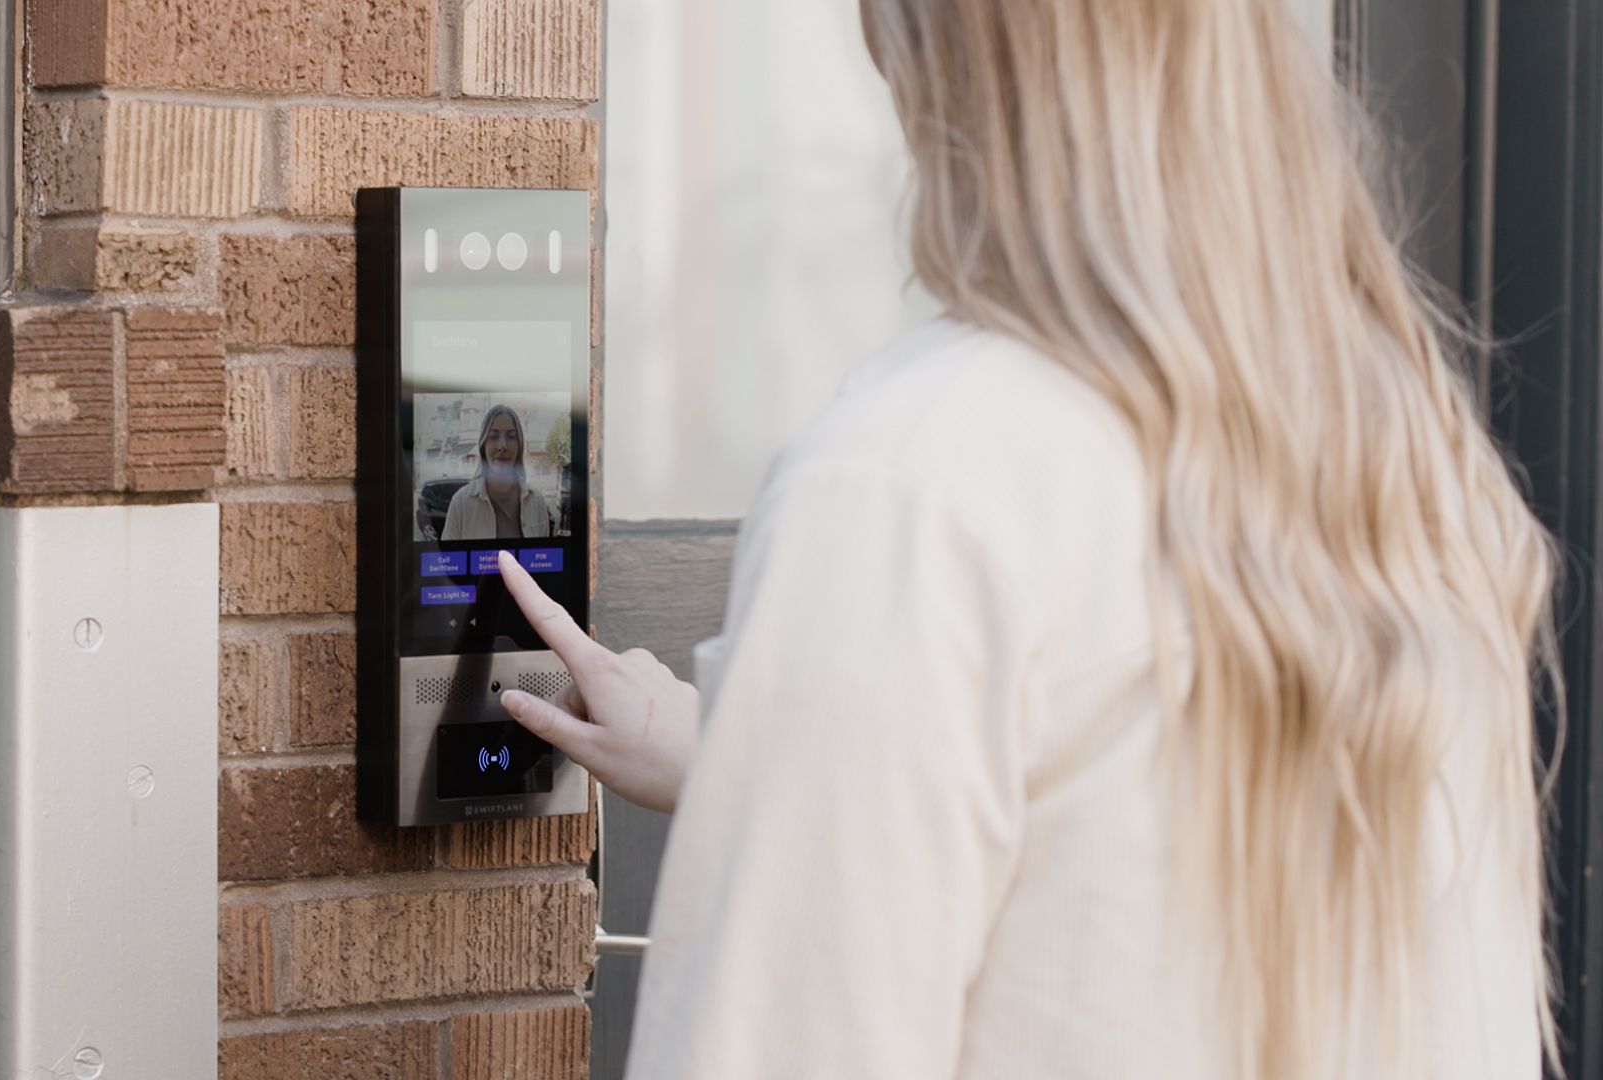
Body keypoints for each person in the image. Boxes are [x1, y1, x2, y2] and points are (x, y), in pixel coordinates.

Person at [492, 1, 1558, 1077]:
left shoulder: (917, 476)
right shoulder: (1410, 471)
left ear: (946, 59)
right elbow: (1125, 885)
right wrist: (736, 760)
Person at [443, 404, 554, 540]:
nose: (502, 446)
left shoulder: (537, 501)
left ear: (519, 445)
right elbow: (448, 560)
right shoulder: (461, 503)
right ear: (483, 445)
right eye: (494, 436)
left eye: (511, 437)